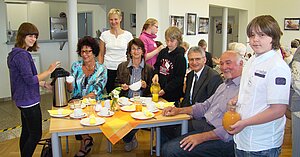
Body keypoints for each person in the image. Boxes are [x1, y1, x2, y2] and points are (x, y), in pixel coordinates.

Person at [229, 15, 291, 157]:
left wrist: (244, 123)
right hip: (242, 139)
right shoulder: (252, 60)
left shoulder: (277, 67)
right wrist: (237, 98)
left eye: (261, 35)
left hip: (262, 144)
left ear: (273, 37)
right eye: (252, 35)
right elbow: (251, 89)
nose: (255, 39)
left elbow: (278, 110)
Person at [161, 51, 243, 157]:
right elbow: (205, 106)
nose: (224, 67)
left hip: (223, 139)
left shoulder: (244, 91)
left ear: (241, 63)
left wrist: (201, 137)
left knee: (169, 150)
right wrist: (178, 110)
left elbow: (231, 129)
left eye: (228, 63)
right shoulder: (224, 85)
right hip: (206, 125)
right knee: (167, 129)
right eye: (221, 63)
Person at [7, 22, 59, 157]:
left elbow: (24, 79)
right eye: (30, 36)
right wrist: (49, 70)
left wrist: (43, 84)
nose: (33, 39)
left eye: (35, 36)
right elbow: (30, 79)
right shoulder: (22, 55)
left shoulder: (15, 53)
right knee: (36, 134)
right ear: (22, 36)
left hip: (21, 99)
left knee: (27, 132)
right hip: (28, 100)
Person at [67, 36, 107, 157]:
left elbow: (97, 89)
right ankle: (86, 139)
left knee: (81, 110)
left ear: (94, 52)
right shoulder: (76, 66)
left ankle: (85, 142)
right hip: (77, 100)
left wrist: (85, 99)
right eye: (83, 51)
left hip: (96, 101)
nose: (86, 54)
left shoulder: (101, 68)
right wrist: (68, 84)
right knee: (76, 110)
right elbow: (71, 89)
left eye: (89, 51)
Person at [115, 38, 153, 152]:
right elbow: (116, 84)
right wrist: (122, 86)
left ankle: (128, 138)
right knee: (119, 120)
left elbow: (152, 89)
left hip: (142, 102)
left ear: (142, 51)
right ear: (129, 52)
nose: (136, 52)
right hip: (125, 100)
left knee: (137, 118)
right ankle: (129, 138)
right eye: (133, 49)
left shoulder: (149, 69)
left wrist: (146, 86)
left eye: (139, 49)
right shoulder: (122, 66)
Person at [152, 26, 187, 144]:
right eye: (167, 40)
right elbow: (157, 66)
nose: (169, 43)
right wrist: (156, 74)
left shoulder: (180, 57)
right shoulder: (163, 52)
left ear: (178, 41)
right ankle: (159, 146)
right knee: (159, 122)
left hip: (172, 95)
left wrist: (166, 90)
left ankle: (166, 147)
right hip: (161, 92)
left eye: (172, 41)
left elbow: (179, 79)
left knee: (168, 126)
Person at [98, 8, 133, 93]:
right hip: (108, 68)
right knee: (110, 94)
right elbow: (101, 54)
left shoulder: (128, 35)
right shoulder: (104, 35)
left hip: (123, 69)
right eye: (111, 19)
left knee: (122, 94)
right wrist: (99, 69)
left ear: (120, 19)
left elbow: (132, 54)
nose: (113, 22)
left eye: (115, 19)